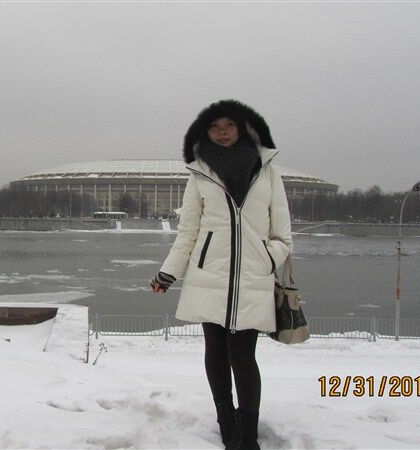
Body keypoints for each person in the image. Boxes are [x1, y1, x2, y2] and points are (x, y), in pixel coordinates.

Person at [150, 99, 292, 450]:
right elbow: (188, 231)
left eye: (229, 125)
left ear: (243, 128)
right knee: (215, 349)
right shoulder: (200, 174)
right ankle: (226, 419)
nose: (223, 131)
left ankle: (247, 433)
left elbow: (283, 236)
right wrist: (168, 273)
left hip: (252, 278)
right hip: (209, 275)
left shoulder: (268, 171)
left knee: (243, 355)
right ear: (205, 133)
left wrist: (265, 259)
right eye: (215, 127)